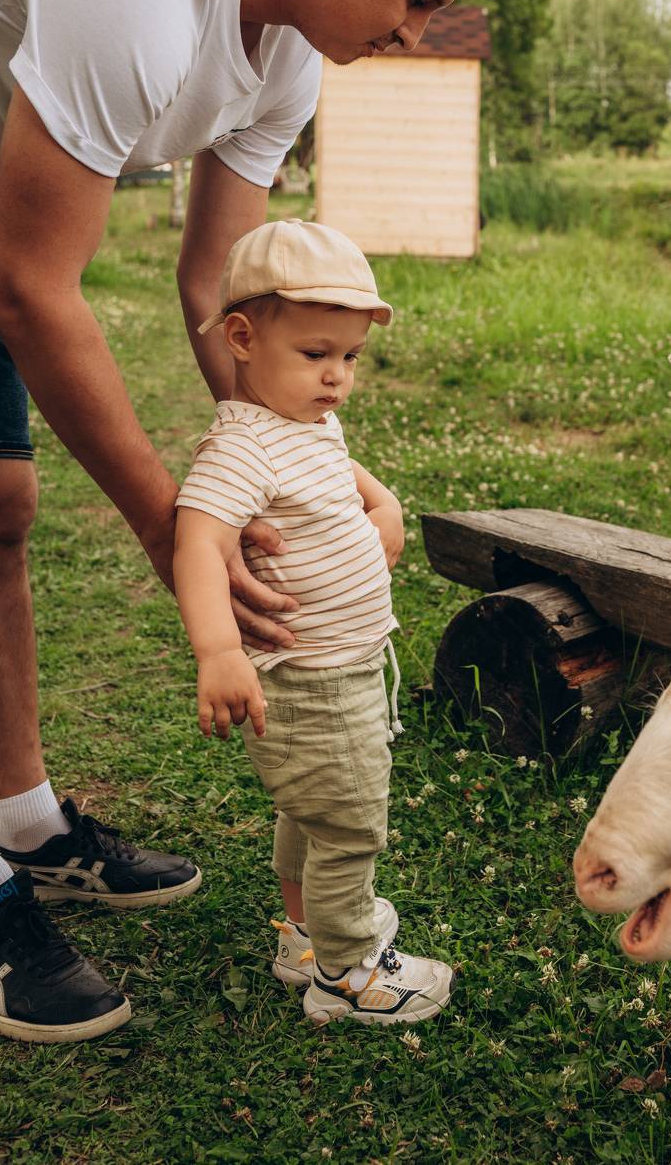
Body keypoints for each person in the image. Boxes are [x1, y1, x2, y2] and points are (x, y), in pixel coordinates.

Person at [0, 0, 505, 1041]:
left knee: (2, 504)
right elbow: (31, 284)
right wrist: (177, 528)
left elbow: (222, 297)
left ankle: (22, 825)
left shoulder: (288, 50)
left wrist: (293, 475)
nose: (414, 32)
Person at [174, 217, 452, 1024]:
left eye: (350, 357)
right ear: (242, 338)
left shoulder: (304, 421)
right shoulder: (241, 448)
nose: (336, 376)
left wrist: (383, 502)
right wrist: (217, 649)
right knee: (349, 826)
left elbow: (339, 468)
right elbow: (198, 542)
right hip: (312, 679)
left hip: (345, 664)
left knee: (311, 812)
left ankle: (303, 935)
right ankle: (348, 972)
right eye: (315, 353)